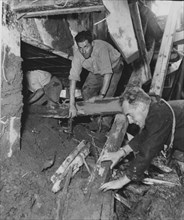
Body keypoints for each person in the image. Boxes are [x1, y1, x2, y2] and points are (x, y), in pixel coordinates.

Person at [100, 86, 184, 191]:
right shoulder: (156, 111)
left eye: (130, 115)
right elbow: (145, 135)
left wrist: (121, 181)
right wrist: (122, 152)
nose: (130, 121)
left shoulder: (159, 114)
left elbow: (148, 151)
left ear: (141, 106)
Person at [68, 30, 124, 131]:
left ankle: (104, 126)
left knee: (107, 98)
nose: (83, 51)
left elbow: (107, 73)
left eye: (86, 47)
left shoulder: (101, 49)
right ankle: (94, 118)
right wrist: (72, 105)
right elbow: (73, 78)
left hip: (114, 68)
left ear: (92, 44)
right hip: (96, 70)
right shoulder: (78, 55)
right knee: (86, 90)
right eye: (80, 48)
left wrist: (101, 95)